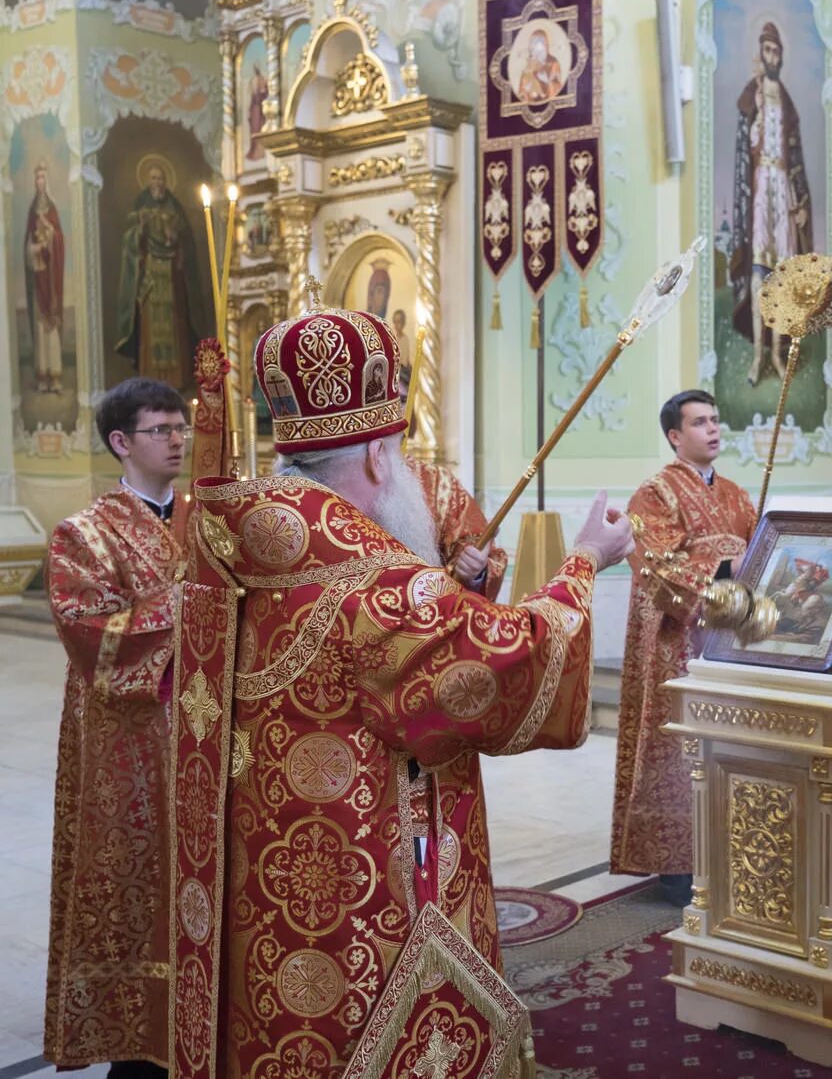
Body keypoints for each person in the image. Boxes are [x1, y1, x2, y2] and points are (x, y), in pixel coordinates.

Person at [167, 292, 633, 1078]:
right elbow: (504, 662)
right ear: (380, 456)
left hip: (263, 888)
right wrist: (585, 561)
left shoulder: (228, 550)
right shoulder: (375, 590)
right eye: (398, 449)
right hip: (369, 875)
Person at [44, 378, 190, 1076]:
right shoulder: (85, 534)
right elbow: (91, 632)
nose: (178, 438)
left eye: (181, 426)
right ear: (121, 442)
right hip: (129, 745)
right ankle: (139, 1045)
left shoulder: (210, 523)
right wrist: (186, 609)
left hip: (209, 735)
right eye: (161, 429)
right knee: (141, 887)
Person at [612, 391, 756, 903]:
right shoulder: (654, 494)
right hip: (678, 646)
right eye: (700, 422)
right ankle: (676, 865)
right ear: (675, 436)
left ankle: (732, 850)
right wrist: (723, 568)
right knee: (678, 745)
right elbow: (652, 561)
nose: (713, 429)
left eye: (716, 420)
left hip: (731, 639)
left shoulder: (739, 495)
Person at [732, 22, 813, 386]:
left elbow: (794, 156)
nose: (772, 57)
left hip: (781, 184)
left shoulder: (787, 101)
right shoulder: (753, 96)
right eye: (767, 51)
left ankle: (779, 354)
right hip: (760, 186)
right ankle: (756, 357)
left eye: (776, 51)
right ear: (760, 55)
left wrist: (801, 199)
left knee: (781, 275)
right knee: (757, 274)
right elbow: (743, 152)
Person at [397, 364, 506, 597]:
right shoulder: (327, 478)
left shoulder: (438, 485)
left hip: (423, 623)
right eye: (383, 401)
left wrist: (472, 570)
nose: (393, 413)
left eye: (401, 401)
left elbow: (474, 551)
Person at [113, 160, 208, 389]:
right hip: (150, 278)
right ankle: (151, 379)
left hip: (172, 276)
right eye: (154, 178)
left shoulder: (174, 206)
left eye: (161, 178)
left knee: (175, 325)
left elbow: (185, 240)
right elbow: (130, 239)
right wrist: (141, 228)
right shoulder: (140, 205)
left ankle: (176, 379)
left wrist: (173, 235)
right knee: (150, 328)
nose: (158, 183)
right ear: (148, 181)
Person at [26, 160, 66, 395]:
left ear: (46, 181)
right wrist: (31, 249)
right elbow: (27, 244)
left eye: (43, 177)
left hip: (51, 278)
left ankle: (56, 377)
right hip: (38, 274)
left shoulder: (51, 210)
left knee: (51, 326)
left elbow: (60, 239)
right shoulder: (32, 211)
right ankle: (42, 376)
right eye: (37, 178)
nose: (40, 182)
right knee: (41, 327)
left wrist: (50, 234)